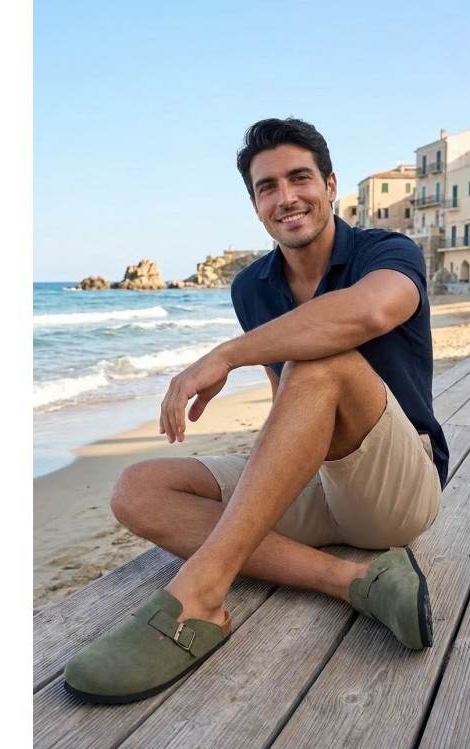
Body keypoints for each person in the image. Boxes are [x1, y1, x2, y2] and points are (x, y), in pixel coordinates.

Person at [64, 117, 449, 705]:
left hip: (396, 491)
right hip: (321, 483)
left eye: (300, 178)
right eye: (267, 187)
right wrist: (270, 469)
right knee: (137, 490)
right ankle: (350, 581)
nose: (286, 197)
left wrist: (225, 354)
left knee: (320, 361)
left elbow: (369, 312)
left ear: (330, 186)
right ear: (255, 204)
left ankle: (200, 596)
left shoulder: (386, 251)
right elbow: (283, 398)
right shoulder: (251, 287)